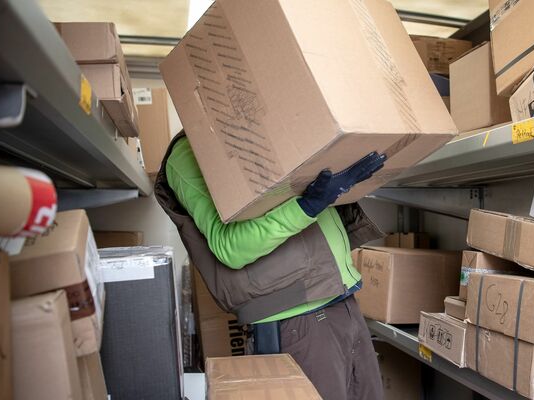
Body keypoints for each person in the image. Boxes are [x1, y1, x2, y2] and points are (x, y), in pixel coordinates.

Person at [154, 131, 387, 400]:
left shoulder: (270, 126)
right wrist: (309, 206)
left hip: (341, 298)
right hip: (295, 317)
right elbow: (230, 247)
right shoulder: (188, 152)